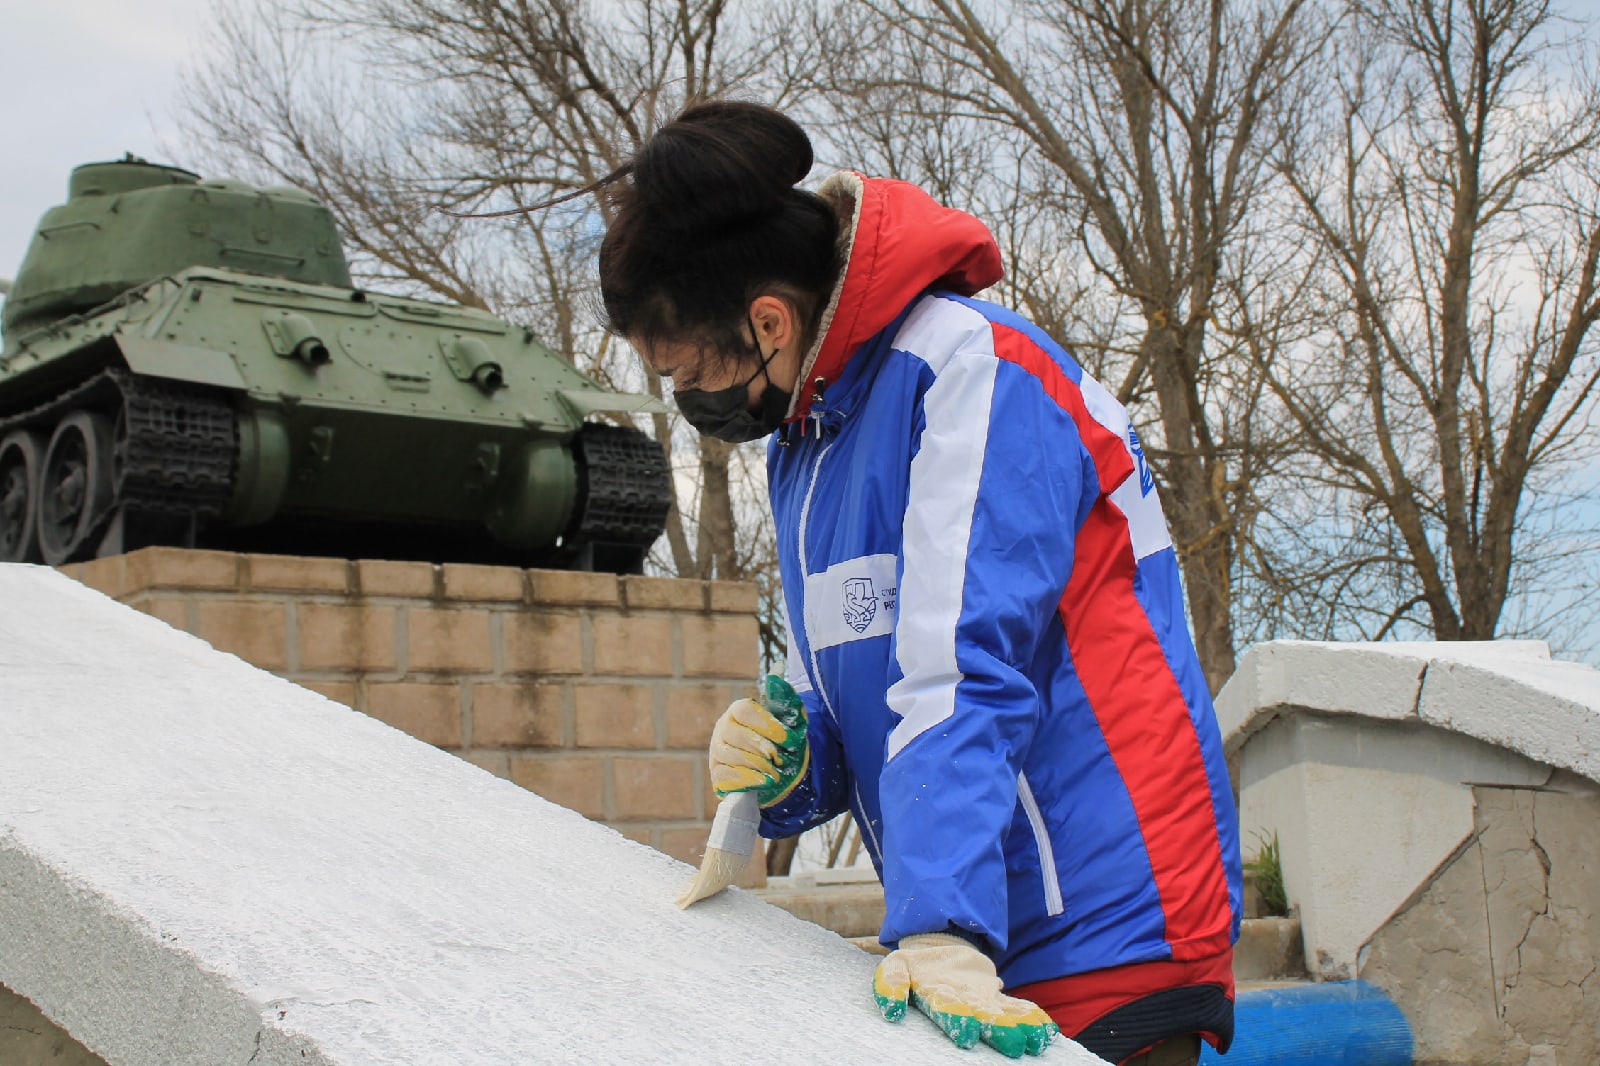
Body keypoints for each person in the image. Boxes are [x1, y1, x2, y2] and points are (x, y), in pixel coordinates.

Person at [596, 99, 1241, 1065]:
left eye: (687, 372)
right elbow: (867, 690)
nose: (690, 403)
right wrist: (797, 765)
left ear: (768, 320)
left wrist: (940, 926)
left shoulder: (969, 370)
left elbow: (962, 662)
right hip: (975, 910)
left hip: (1100, 914)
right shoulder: (807, 445)